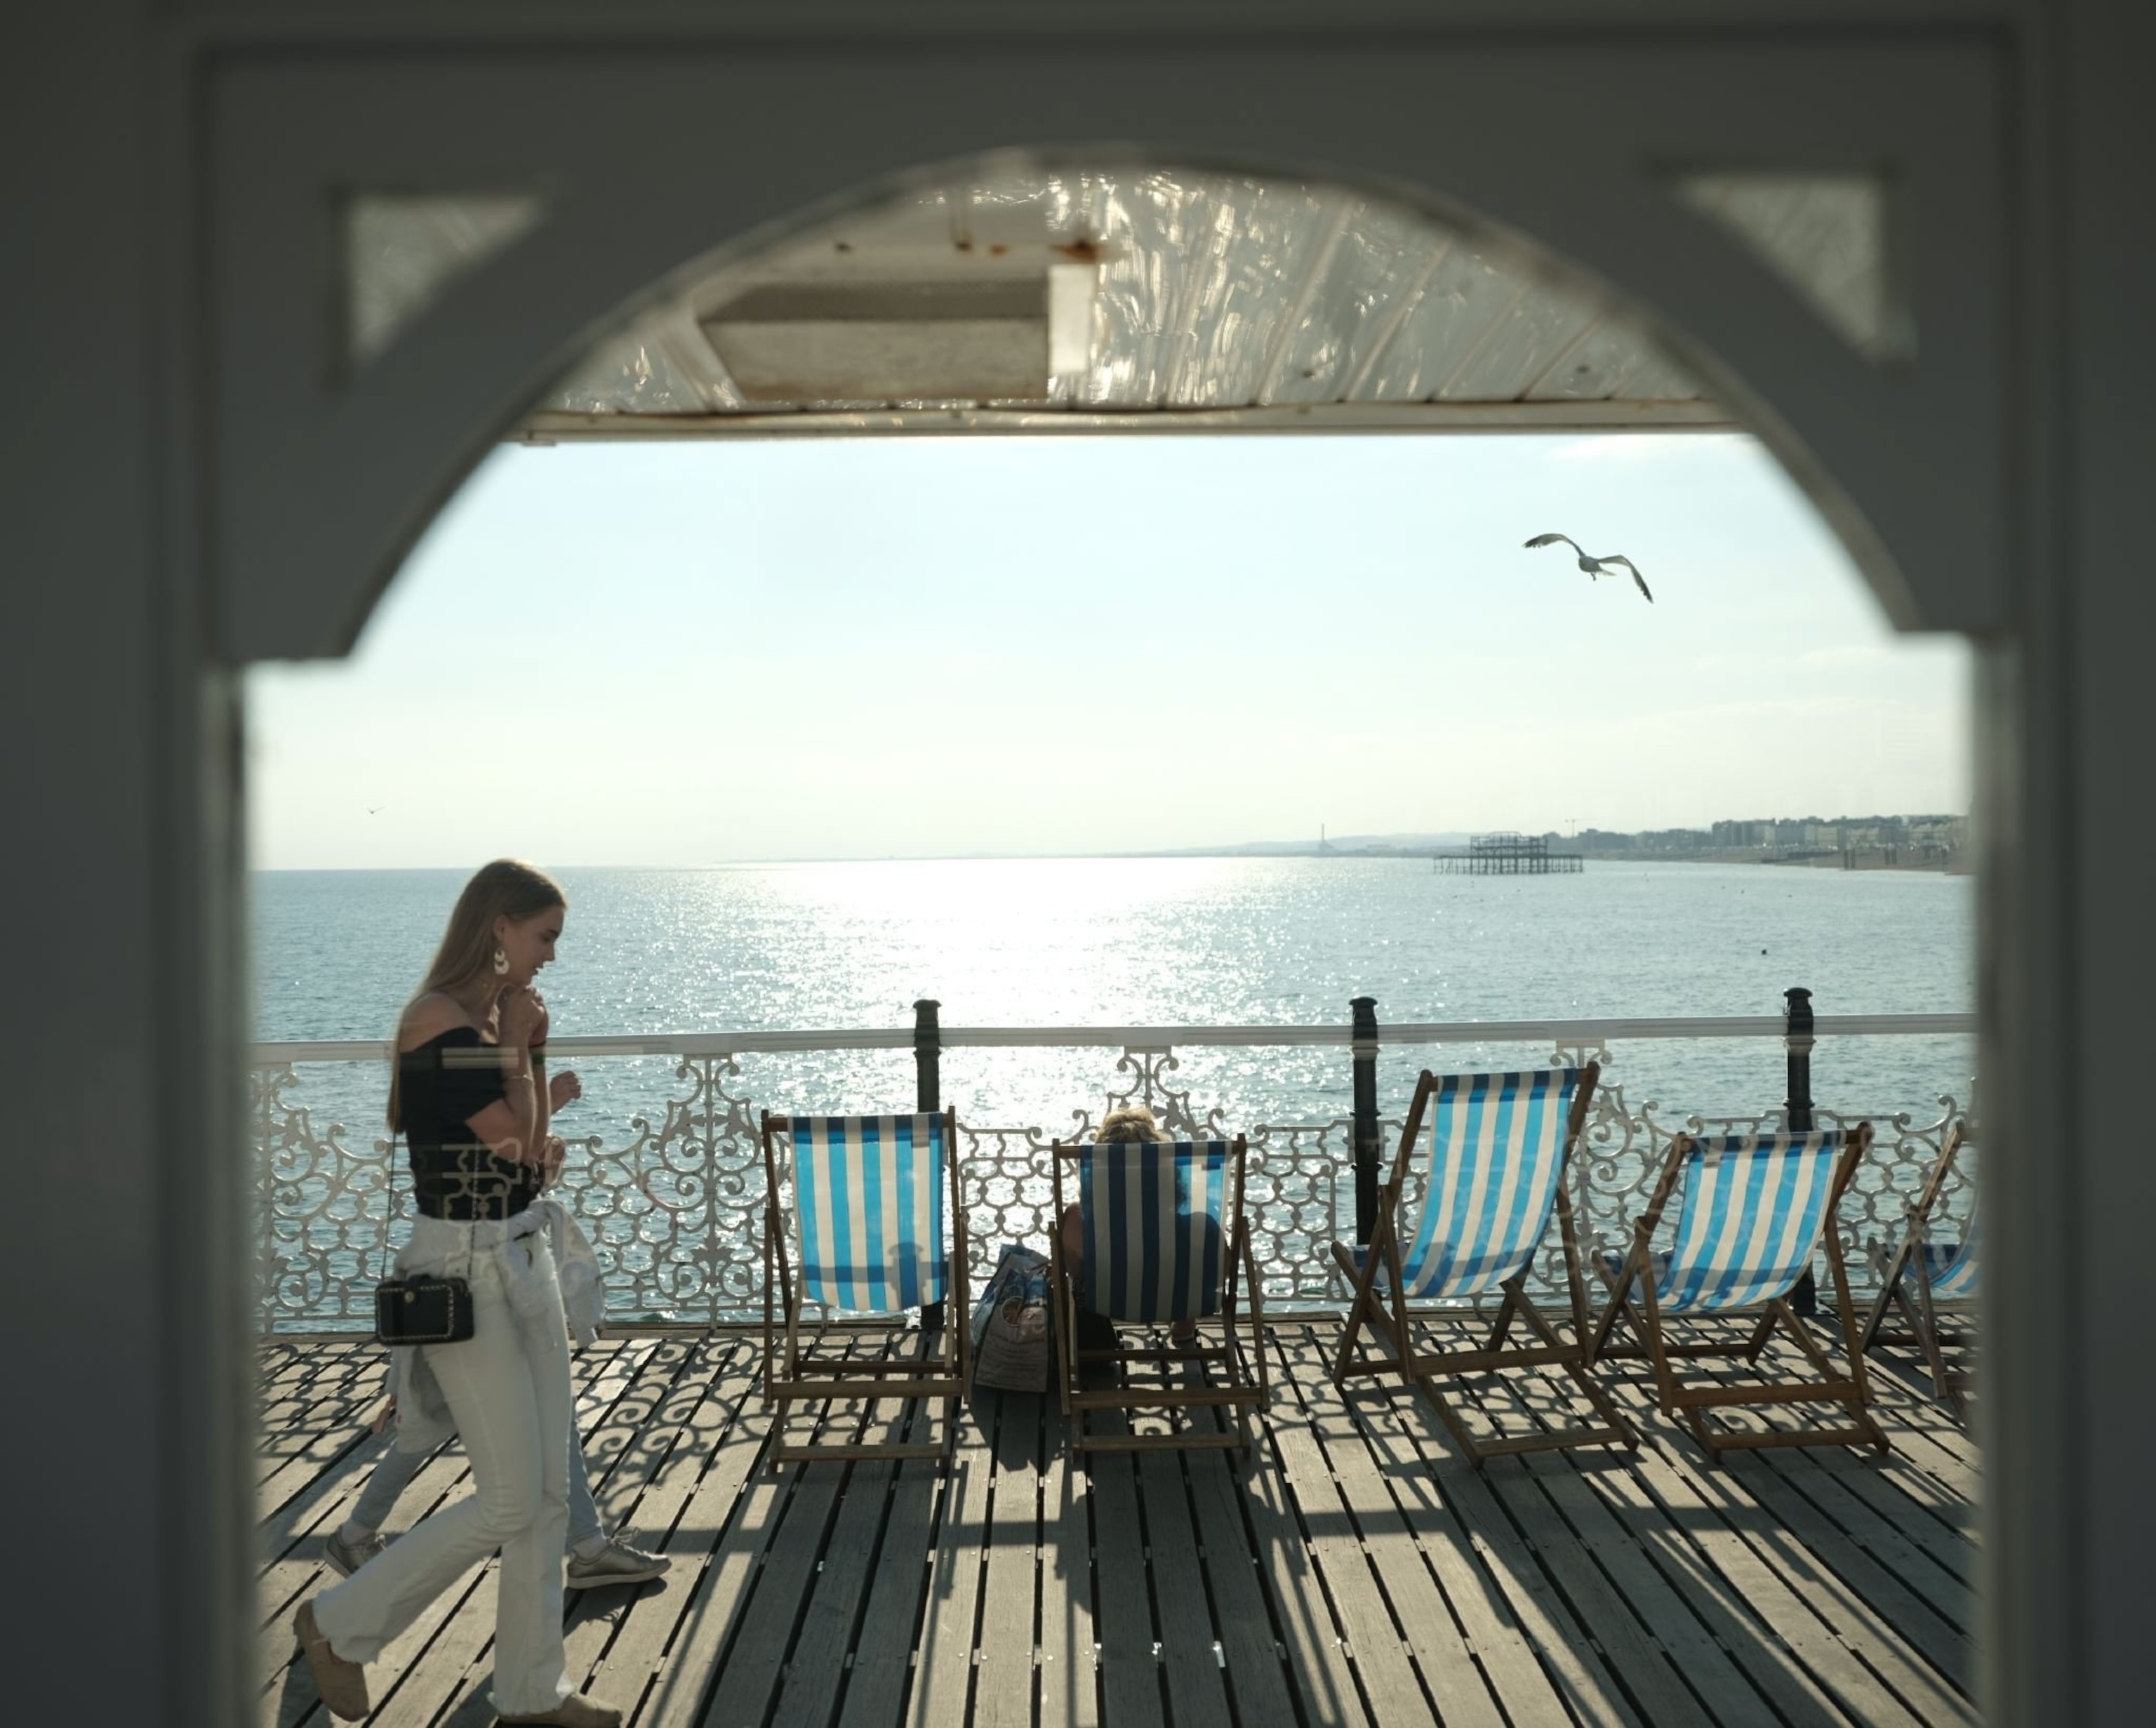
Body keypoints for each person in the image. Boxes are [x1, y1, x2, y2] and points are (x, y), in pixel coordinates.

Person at [293, 860, 624, 1728]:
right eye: (544, 934)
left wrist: (528, 1056)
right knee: (515, 1496)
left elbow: (535, 1156)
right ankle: (337, 1621)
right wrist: (523, 1052)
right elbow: (518, 1144)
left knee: (546, 1493)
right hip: (462, 1273)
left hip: (523, 1256)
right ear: (498, 927)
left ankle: (529, 1690)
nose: (551, 954)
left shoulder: (489, 1021)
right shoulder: (437, 1019)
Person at [325, 1058, 670, 1594]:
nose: (541, 977)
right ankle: (583, 1548)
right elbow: (474, 1174)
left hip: (494, 1270)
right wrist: (545, 1111)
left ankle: (585, 1546)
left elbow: (498, 1180)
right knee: (441, 1425)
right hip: (472, 1276)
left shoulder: (482, 1050)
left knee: (453, 1418)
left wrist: (541, 1168)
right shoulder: (461, 1048)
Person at [1058, 1104, 1200, 1347]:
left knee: (1077, 1238)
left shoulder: (1078, 1222)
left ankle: (1087, 1331)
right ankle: (1184, 1319)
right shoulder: (1195, 1228)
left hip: (1108, 1299)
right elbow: (1224, 1268)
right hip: (1171, 1297)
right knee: (1193, 1243)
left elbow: (1073, 1271)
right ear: (1165, 1171)